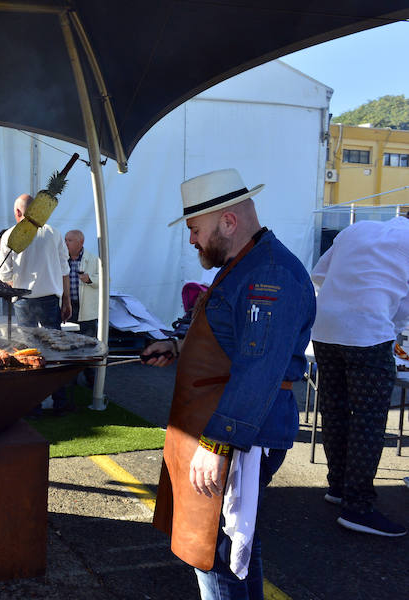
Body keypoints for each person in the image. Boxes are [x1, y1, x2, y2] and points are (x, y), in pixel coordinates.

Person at [144, 168, 315, 599]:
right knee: (236, 545)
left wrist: (219, 443)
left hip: (239, 434)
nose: (192, 241)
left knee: (214, 551)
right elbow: (234, 338)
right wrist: (179, 346)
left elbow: (260, 368)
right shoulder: (244, 263)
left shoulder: (269, 274)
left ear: (228, 221)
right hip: (219, 425)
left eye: (195, 230)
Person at [310, 211, 409, 537]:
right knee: (368, 419)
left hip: (324, 328)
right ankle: (358, 505)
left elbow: (319, 274)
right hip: (368, 334)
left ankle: (338, 486)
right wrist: (392, 326)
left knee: (335, 410)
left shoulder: (357, 228)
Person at [0, 194, 73, 414]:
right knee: (54, 351)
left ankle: (33, 405)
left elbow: (3, 273)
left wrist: (15, 280)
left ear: (18, 213)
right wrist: (66, 300)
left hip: (23, 300)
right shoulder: (53, 233)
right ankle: (60, 401)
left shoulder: (10, 235)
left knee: (27, 353)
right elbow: (64, 270)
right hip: (50, 299)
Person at [64, 229, 99, 339]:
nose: (66, 243)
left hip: (85, 308)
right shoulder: (61, 259)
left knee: (88, 341)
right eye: (65, 240)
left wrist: (90, 279)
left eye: (69, 240)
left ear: (81, 242)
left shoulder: (94, 260)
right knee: (66, 340)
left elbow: (105, 280)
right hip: (66, 305)